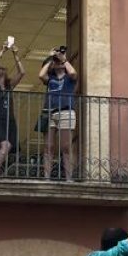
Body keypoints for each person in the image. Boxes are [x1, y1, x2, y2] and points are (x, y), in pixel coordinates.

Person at [0, 39, 25, 178]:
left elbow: (22, 72)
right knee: (5, 145)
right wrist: (2, 51)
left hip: (8, 119)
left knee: (6, 147)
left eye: (3, 68)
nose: (1, 68)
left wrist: (15, 54)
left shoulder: (9, 86)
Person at [39, 46, 78, 180]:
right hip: (50, 112)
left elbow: (73, 73)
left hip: (66, 111)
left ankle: (68, 178)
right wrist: (51, 58)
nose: (58, 62)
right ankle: (47, 177)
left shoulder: (69, 78)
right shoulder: (50, 78)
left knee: (66, 147)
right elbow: (41, 75)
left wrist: (64, 59)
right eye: (57, 61)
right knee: (48, 147)